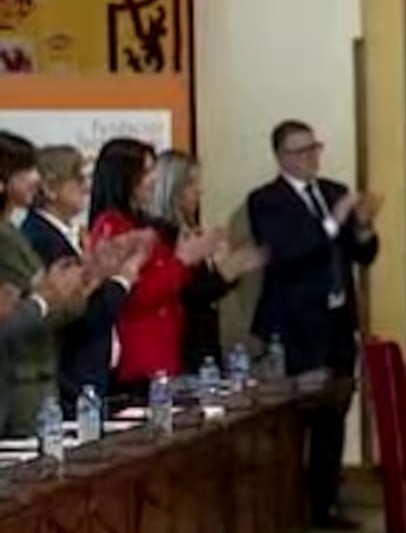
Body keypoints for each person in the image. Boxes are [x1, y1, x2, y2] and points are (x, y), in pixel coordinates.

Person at [249, 121, 381, 530]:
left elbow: (362, 254)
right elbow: (289, 253)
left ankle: (324, 505)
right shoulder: (266, 201)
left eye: (314, 148)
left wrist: (363, 227)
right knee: (294, 420)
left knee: (333, 413)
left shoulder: (334, 191)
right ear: (281, 157)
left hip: (337, 321)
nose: (311, 157)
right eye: (301, 151)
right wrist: (333, 222)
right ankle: (288, 507)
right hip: (293, 326)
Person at [89, 139, 216, 399]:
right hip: (140, 358)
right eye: (146, 172)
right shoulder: (112, 226)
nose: (154, 179)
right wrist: (181, 261)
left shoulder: (146, 224)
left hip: (167, 350)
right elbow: (132, 297)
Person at [24, 145, 144, 409]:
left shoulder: (70, 235)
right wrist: (122, 280)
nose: (86, 188)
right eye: (78, 178)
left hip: (91, 377)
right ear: (50, 188)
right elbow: (81, 314)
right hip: (70, 380)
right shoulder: (42, 240)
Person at [0, 131, 88, 433]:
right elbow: (14, 314)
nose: (35, 178)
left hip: (37, 381)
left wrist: (81, 284)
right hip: (19, 384)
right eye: (25, 170)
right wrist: (45, 298)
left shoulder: (12, 233)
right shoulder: (7, 238)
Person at [153, 150, 265, 373]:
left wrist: (227, 270)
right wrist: (226, 274)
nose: (199, 191)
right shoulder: (163, 237)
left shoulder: (190, 229)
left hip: (206, 342)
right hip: (181, 346)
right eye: (191, 184)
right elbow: (185, 295)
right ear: (172, 188)